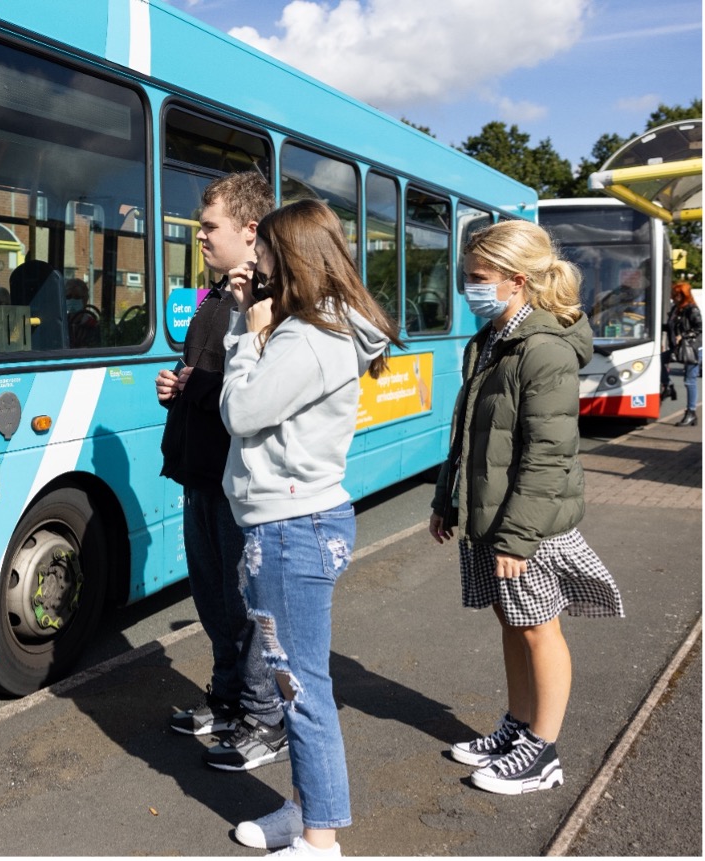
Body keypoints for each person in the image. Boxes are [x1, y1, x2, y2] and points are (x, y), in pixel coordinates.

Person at [219, 198, 401, 857]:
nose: (255, 260)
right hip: (300, 519)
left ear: (288, 257)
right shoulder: (322, 328)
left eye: (264, 250)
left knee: (299, 687)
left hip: (290, 527)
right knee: (298, 677)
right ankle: (303, 810)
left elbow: (243, 409)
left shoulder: (308, 336)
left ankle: (319, 839)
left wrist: (246, 333)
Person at [429, 219, 624, 798]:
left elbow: (549, 455)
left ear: (517, 281)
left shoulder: (543, 351)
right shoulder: (491, 338)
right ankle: (518, 726)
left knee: (540, 631)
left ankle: (544, 751)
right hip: (494, 514)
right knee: (513, 623)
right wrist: (448, 500)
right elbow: (466, 436)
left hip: (526, 525)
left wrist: (517, 538)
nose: (468, 288)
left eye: (477, 278)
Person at [156, 171, 289, 776]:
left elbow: (261, 391)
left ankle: (266, 717)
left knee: (245, 603)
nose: (201, 236)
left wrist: (202, 386)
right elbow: (207, 373)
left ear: (249, 230)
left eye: (210, 227)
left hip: (238, 477)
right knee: (213, 598)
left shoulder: (268, 301)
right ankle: (229, 700)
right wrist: (176, 390)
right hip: (198, 469)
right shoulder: (213, 297)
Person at [664, 281, 701, 426]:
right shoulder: (676, 309)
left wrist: (684, 336)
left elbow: (699, 328)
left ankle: (691, 413)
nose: (674, 297)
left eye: (677, 295)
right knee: (658, 361)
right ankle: (668, 386)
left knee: (689, 380)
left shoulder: (692, 309)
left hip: (692, 349)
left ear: (684, 295)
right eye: (674, 294)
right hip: (678, 348)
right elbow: (669, 327)